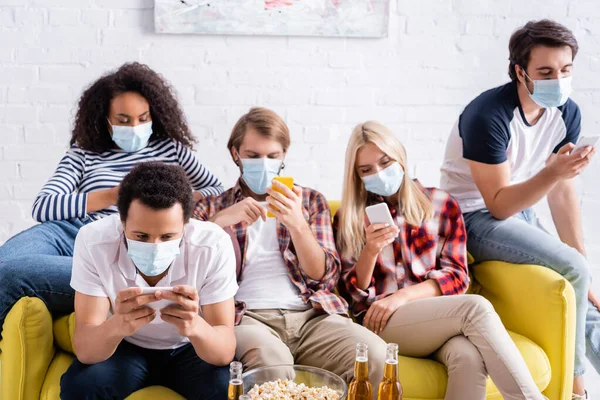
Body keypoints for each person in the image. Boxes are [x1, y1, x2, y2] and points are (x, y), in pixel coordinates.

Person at [0, 62, 223, 337]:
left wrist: (179, 198)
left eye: (143, 118)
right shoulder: (83, 153)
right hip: (68, 232)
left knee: (12, 273)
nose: (135, 127)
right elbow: (44, 206)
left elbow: (217, 191)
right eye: (123, 120)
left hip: (117, 245)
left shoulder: (171, 150)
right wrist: (116, 194)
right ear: (105, 119)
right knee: (3, 263)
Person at [440, 20, 599, 399]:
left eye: (565, 71)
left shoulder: (566, 113)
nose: (557, 81)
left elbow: (561, 192)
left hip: (519, 210)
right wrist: (553, 172)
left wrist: (581, 259)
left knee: (583, 283)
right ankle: (575, 389)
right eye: (545, 72)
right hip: (470, 218)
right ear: (519, 71)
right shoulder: (487, 115)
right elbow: (497, 204)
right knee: (574, 271)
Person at [335, 121, 546, 400]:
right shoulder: (349, 217)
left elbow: (457, 276)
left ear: (400, 156)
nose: (378, 173)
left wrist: (403, 297)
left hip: (437, 317)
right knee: (476, 308)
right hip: (382, 323)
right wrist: (370, 250)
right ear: (357, 176)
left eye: (385, 162)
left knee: (467, 356)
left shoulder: (440, 204)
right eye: (366, 170)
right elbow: (354, 295)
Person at [193, 107, 388, 392]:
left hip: (312, 315)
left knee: (374, 355)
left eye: (272, 156)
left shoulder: (309, 201)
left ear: (283, 156)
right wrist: (219, 222)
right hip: (247, 317)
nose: (264, 163)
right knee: (275, 365)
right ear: (235, 154)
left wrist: (298, 224)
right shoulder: (211, 207)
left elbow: (325, 277)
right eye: (253, 156)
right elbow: (187, 272)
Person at [60, 162, 236, 399]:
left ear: (185, 225)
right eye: (141, 236)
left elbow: (224, 349)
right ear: (122, 222)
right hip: (126, 346)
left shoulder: (212, 244)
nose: (155, 247)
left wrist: (195, 326)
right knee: (79, 386)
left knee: (228, 387)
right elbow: (85, 350)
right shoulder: (94, 240)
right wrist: (118, 323)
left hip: (189, 348)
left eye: (167, 236)